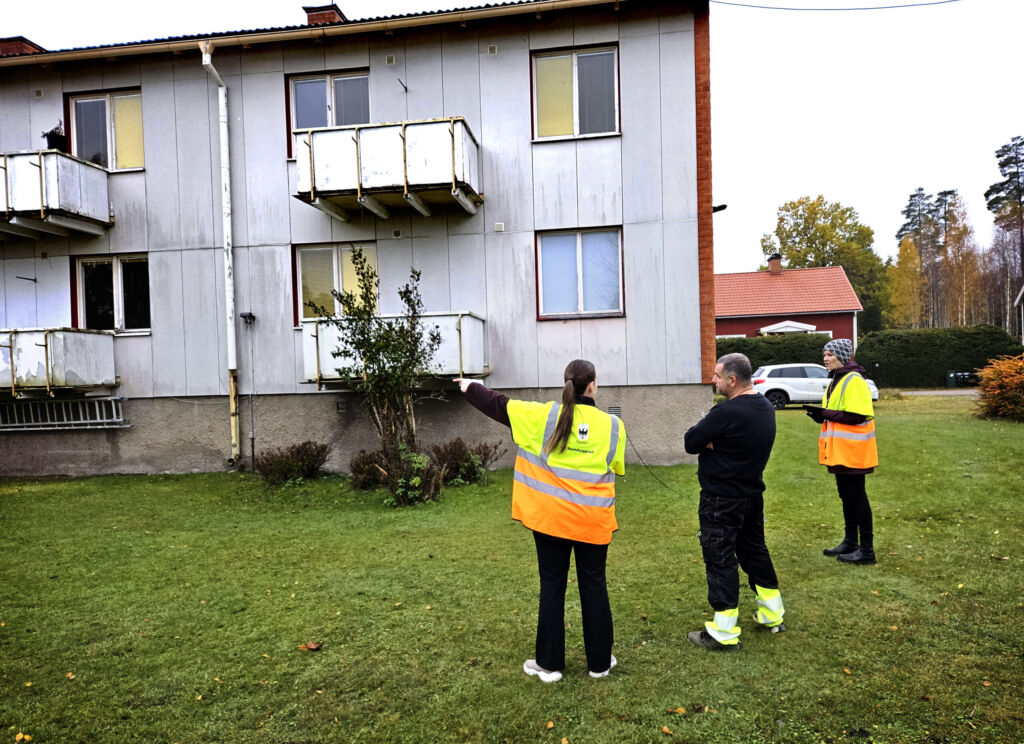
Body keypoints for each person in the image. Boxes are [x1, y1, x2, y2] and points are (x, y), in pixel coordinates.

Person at [454, 359, 626, 682]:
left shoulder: (544, 416)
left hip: (551, 522)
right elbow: (615, 467)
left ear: (566, 384)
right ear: (592, 385)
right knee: (594, 586)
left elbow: (499, 406)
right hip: (593, 523)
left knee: (552, 586)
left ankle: (549, 666)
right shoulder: (614, 426)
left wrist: (469, 387)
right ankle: (600, 664)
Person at [683, 353, 785, 650]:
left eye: (716, 376)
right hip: (751, 496)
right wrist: (713, 441)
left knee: (720, 558)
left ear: (732, 379)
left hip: (721, 500)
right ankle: (772, 614)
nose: (712, 380)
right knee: (755, 552)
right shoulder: (765, 408)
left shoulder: (725, 412)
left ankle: (723, 632)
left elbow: (691, 442)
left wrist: (711, 442)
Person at [804, 338, 878, 565]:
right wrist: (822, 415)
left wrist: (825, 414)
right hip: (841, 452)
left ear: (843, 356)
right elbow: (839, 414)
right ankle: (851, 542)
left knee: (857, 498)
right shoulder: (838, 379)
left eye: (830, 355)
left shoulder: (853, 380)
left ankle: (866, 550)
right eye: (824, 355)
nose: (825, 359)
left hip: (854, 452)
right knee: (846, 497)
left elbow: (858, 415)